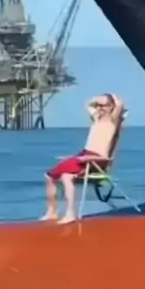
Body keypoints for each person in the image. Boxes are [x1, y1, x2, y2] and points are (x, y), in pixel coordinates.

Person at [41, 93, 126, 225]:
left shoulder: (113, 121)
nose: (100, 108)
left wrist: (112, 98)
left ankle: (70, 213)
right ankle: (52, 211)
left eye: (104, 105)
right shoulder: (96, 119)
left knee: (66, 176)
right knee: (49, 176)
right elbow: (88, 104)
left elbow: (120, 104)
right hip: (84, 155)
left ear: (111, 106)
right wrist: (96, 100)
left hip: (97, 159)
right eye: (98, 105)